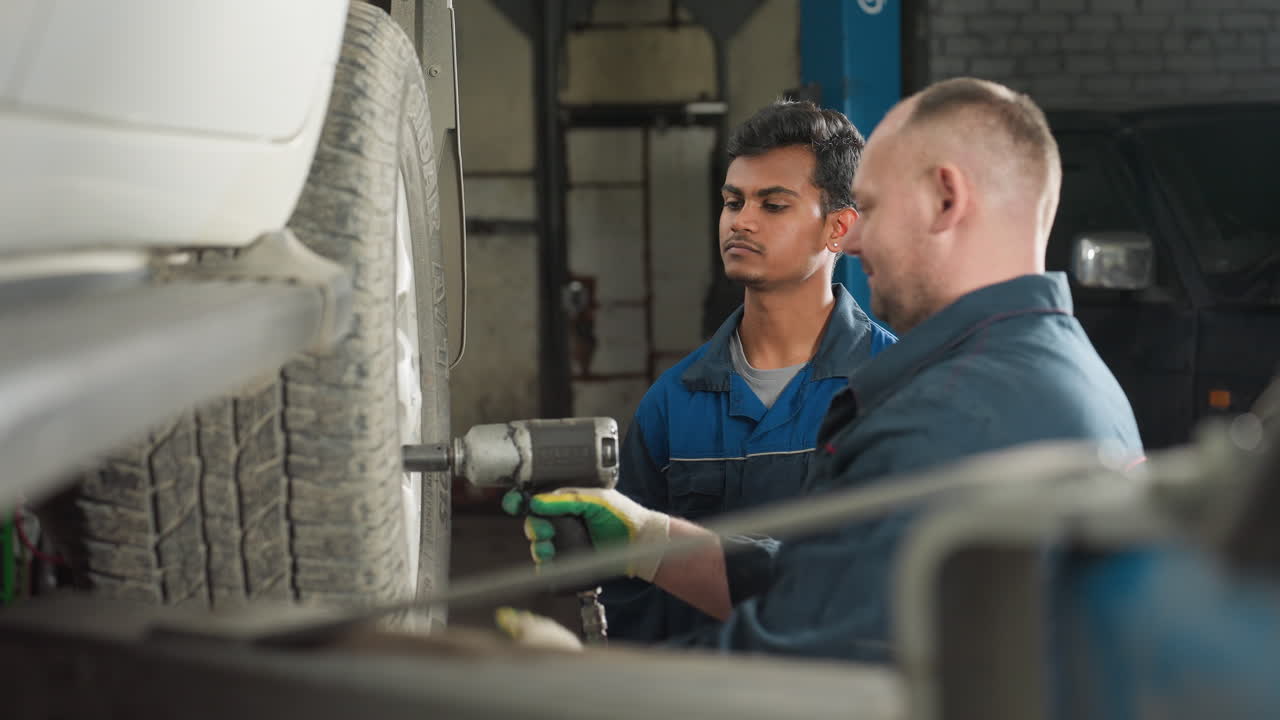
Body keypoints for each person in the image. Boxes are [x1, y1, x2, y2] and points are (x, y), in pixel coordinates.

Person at [508, 78, 1143, 662]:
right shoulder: (1066, 373)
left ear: (946, 199)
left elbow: (811, 657)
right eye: (734, 202)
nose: (859, 242)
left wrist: (594, 688)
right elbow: (837, 580)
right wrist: (651, 541)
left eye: (872, 209)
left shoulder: (942, 414)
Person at [597, 100, 896, 643]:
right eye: (733, 201)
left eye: (773, 204)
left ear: (839, 228)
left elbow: (895, 581)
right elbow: (628, 592)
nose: (742, 220)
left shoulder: (889, 386)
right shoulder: (673, 402)